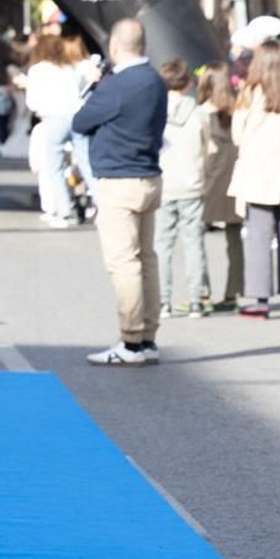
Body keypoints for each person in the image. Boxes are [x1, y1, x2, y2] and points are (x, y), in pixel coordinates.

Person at [72, 18, 167, 365]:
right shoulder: (155, 80)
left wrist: (94, 86)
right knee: (146, 259)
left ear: (113, 47)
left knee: (123, 263)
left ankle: (130, 341)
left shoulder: (117, 85)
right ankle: (148, 337)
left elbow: (80, 122)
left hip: (119, 180)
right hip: (148, 176)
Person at [229, 41, 280, 319]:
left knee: (259, 236)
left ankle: (261, 300)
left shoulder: (250, 93)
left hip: (260, 170)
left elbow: (238, 135)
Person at [154, 60, 211, 320]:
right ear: (188, 82)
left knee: (162, 245)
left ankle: (163, 301)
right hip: (192, 184)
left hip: (164, 184)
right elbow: (207, 148)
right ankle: (196, 299)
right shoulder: (199, 114)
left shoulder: (155, 113)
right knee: (193, 243)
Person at [23, 33, 89, 228]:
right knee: (85, 164)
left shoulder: (37, 70)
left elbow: (32, 102)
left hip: (53, 119)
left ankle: (63, 211)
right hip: (77, 117)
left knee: (54, 168)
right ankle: (102, 207)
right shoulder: (72, 68)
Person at [197, 63, 243, 310]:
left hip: (211, 177)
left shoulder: (202, 112)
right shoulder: (237, 110)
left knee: (196, 235)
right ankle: (233, 292)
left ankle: (202, 291)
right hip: (235, 177)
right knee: (234, 237)